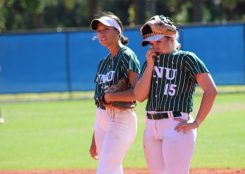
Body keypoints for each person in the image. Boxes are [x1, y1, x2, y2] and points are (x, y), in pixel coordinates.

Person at [134, 15, 218, 174]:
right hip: (151, 126)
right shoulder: (150, 60)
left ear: (171, 37)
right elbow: (139, 96)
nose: (154, 46)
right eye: (151, 43)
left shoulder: (186, 58)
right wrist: (150, 65)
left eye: (158, 41)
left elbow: (211, 90)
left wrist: (197, 122)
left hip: (176, 124)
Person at [89, 12, 140, 174]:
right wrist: (94, 137)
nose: (101, 34)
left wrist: (113, 96)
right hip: (102, 120)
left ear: (117, 31)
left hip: (120, 119)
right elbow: (101, 99)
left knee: (105, 170)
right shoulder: (103, 62)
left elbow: (138, 92)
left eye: (105, 29)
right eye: (98, 31)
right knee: (113, 169)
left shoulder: (127, 56)